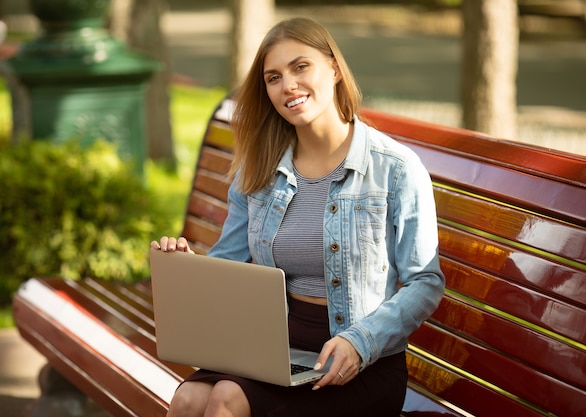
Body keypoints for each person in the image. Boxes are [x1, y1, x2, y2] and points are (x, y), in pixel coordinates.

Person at [151, 17, 445, 417]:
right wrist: (187, 269)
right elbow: (227, 265)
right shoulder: (258, 170)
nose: (287, 84)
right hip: (273, 353)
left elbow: (424, 281)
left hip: (357, 362)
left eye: (300, 67)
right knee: (188, 399)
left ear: (335, 69)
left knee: (225, 401)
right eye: (273, 77)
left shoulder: (394, 168)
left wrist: (360, 341)